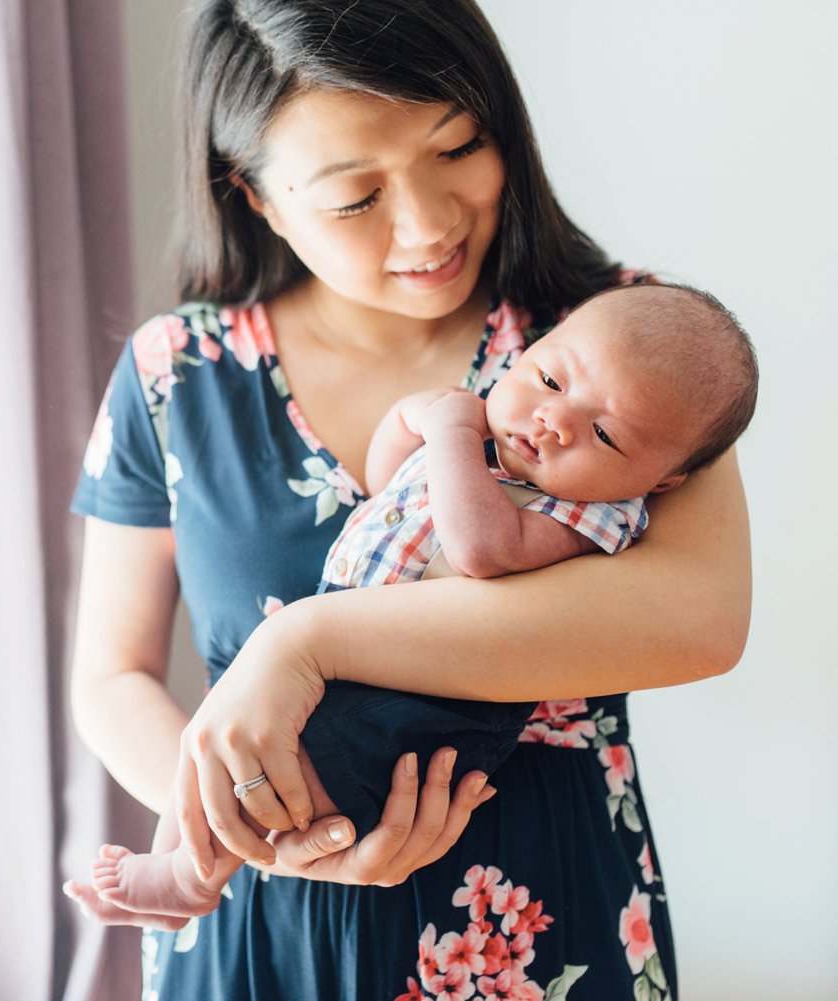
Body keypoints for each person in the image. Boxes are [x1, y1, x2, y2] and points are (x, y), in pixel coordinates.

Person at [63, 1, 752, 998]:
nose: (430, 224)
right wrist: (260, 825)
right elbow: (109, 677)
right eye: (354, 197)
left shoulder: (619, 349)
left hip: (539, 908)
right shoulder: (178, 370)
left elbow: (697, 619)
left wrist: (305, 643)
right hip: (257, 917)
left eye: (459, 146)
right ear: (252, 194)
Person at [68, 281, 757, 929]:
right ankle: (179, 862)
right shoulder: (171, 364)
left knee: (302, 778)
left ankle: (193, 873)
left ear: (663, 478)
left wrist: (452, 431)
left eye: (605, 436)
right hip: (350, 682)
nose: (554, 421)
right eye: (548, 380)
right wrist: (411, 420)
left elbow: (483, 548)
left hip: (428, 706)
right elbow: (382, 481)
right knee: (226, 741)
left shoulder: (588, 512)